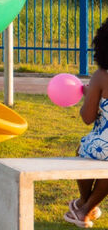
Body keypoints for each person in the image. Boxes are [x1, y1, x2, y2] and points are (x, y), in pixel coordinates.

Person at [66, 18, 108, 227]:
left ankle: (84, 205)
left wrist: (89, 96)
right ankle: (86, 207)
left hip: (101, 148)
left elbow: (87, 118)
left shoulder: (102, 76)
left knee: (83, 150)